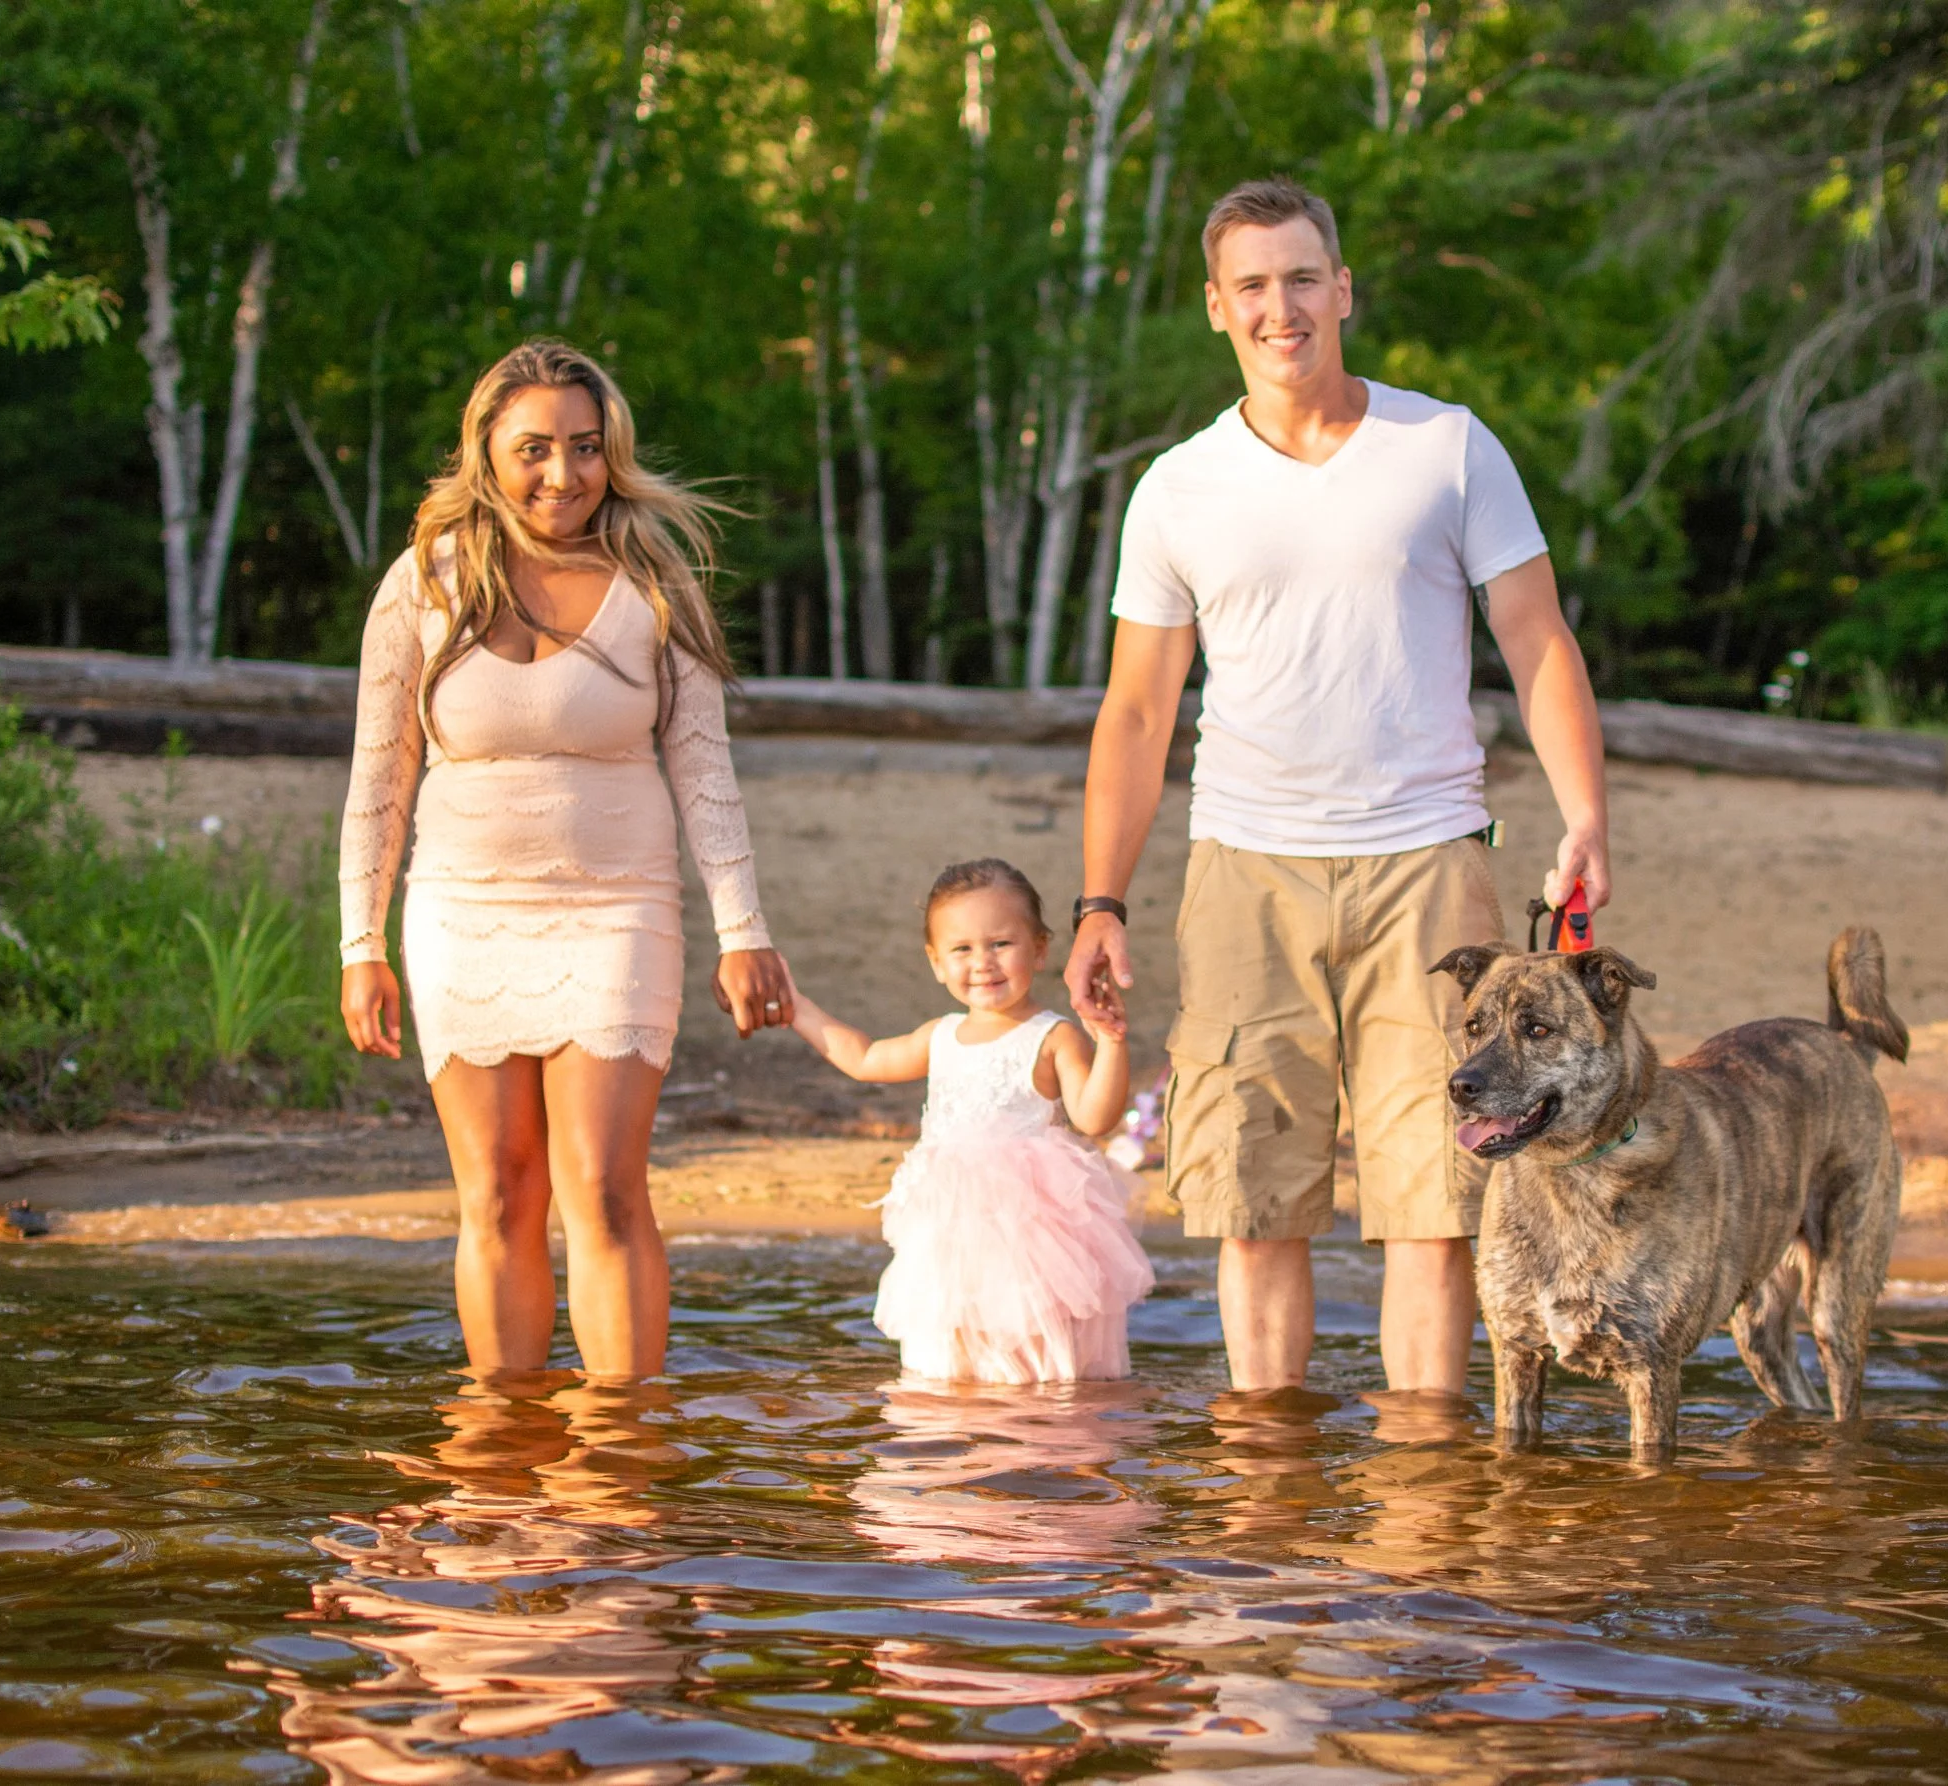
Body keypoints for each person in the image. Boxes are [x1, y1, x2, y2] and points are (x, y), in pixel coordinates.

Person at [1064, 176, 1612, 1398]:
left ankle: (1420, 1508)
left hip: (1430, 867)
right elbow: (1139, 710)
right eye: (1251, 285)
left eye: (1302, 277)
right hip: (1243, 873)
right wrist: (1099, 900)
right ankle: (1268, 1511)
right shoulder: (1177, 487)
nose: (1281, 307)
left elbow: (1536, 638)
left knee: (1435, 1199)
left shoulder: (1446, 446)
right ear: (1216, 307)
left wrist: (1584, 816)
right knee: (1255, 1201)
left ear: (1343, 287)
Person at [337, 339, 791, 1382]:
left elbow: (703, 766)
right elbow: (378, 780)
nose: (564, 474)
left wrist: (744, 931)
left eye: (585, 448)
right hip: (459, 913)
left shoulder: (653, 581)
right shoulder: (422, 585)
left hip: (618, 908)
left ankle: (618, 1457)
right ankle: (501, 1445)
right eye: (533, 448)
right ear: (484, 454)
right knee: (497, 1190)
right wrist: (361, 942)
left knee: (602, 1185)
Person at [783, 859, 1154, 1384]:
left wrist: (1112, 1042)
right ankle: (954, 1454)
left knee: (1031, 1366)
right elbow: (864, 1058)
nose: (983, 962)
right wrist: (796, 1008)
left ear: (1040, 948)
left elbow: (1095, 1116)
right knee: (948, 1362)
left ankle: (1040, 1453)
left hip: (1030, 1241)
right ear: (936, 962)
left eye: (1001, 943)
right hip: (949, 1240)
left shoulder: (1053, 1037)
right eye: (962, 949)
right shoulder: (940, 1035)